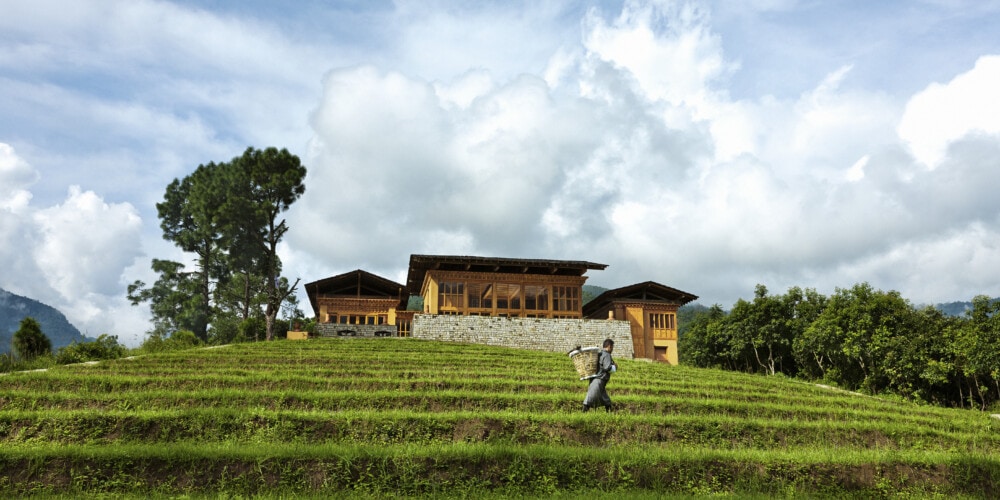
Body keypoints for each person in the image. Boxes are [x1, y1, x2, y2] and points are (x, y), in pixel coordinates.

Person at [583, 338, 617, 412]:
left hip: (596, 379)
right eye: (612, 347)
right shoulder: (607, 355)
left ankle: (610, 413)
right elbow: (607, 367)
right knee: (589, 398)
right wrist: (615, 367)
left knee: (606, 400)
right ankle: (582, 414)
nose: (612, 349)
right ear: (609, 346)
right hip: (599, 380)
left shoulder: (599, 354)